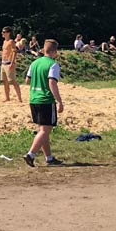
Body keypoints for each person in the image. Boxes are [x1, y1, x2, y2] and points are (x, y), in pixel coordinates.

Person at [24, 39, 65, 168]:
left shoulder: (34, 63)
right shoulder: (53, 64)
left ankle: (49, 158)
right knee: (45, 130)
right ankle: (30, 154)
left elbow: (27, 80)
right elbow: (52, 82)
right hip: (46, 100)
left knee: (43, 130)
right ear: (53, 51)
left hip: (33, 99)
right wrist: (59, 101)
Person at [1, 26, 23, 102]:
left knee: (13, 81)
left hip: (9, 63)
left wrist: (12, 63)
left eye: (4, 32)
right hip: (3, 63)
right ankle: (7, 98)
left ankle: (19, 98)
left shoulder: (11, 41)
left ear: (8, 33)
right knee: (4, 81)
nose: (2, 33)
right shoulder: (4, 42)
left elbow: (14, 52)